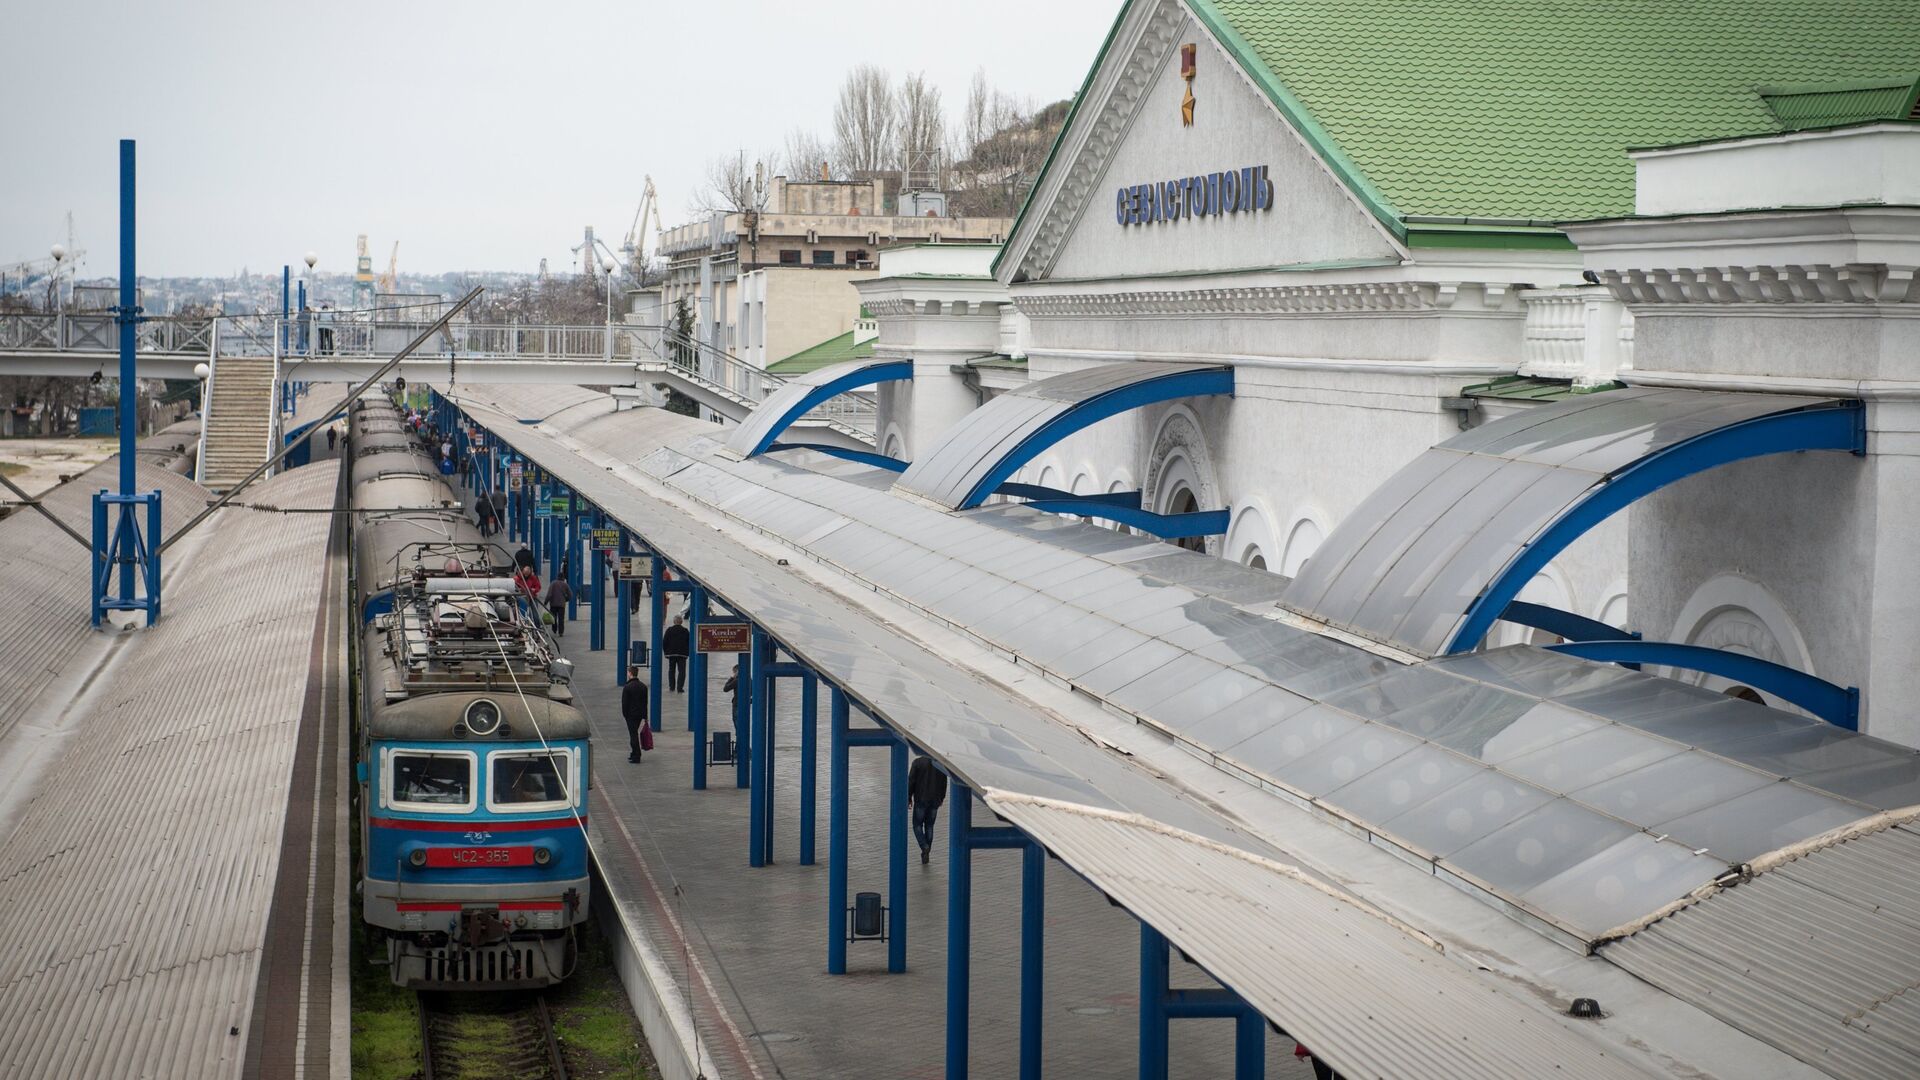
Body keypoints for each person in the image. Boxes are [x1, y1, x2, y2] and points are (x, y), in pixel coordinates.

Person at [907, 753, 948, 865]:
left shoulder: (917, 763)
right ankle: (927, 851)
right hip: (935, 800)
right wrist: (942, 797)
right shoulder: (940, 764)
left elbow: (911, 781)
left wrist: (908, 797)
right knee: (929, 826)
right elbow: (944, 782)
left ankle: (924, 846)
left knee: (917, 825)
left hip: (921, 799)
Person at [622, 665, 650, 763]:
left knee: (633, 735)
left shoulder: (627, 687)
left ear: (630, 673)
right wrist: (645, 716)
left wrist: (625, 714)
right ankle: (634, 753)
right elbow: (645, 702)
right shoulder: (643, 686)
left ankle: (636, 755)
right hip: (639, 715)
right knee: (634, 733)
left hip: (630, 715)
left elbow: (624, 703)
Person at [662, 615, 690, 692]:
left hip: (671, 654)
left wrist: (666, 652)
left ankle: (672, 687)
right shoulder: (685, 630)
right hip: (682, 654)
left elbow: (664, 642)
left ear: (674, 622)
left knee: (671, 670)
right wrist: (688, 652)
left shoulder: (669, 630)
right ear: (681, 622)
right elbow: (689, 642)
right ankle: (680, 688)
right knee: (682, 671)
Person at [545, 565, 572, 636]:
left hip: (553, 604)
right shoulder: (565, 585)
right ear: (563, 578)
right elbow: (570, 594)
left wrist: (545, 602)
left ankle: (554, 629)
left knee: (553, 617)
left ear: (557, 577)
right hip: (561, 605)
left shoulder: (553, 583)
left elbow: (549, 594)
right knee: (561, 619)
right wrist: (566, 600)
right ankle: (561, 632)